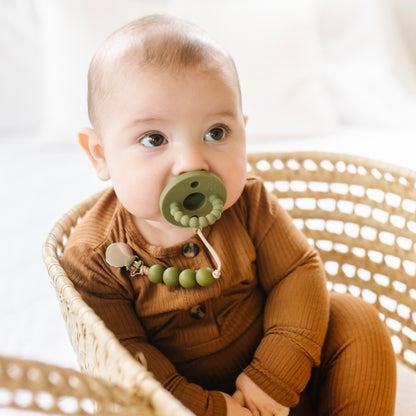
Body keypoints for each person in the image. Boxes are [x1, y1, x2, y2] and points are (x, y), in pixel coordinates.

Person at [62, 14, 396, 416]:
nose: (191, 163)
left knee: (352, 316)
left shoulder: (248, 201)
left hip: (281, 380)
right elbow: (126, 358)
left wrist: (274, 376)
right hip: (185, 404)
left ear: (243, 130)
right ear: (101, 154)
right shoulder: (93, 258)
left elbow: (298, 272)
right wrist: (209, 408)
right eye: (154, 139)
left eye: (216, 133)